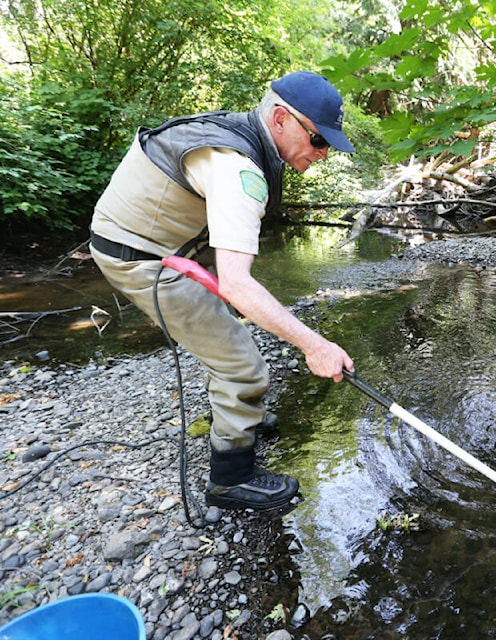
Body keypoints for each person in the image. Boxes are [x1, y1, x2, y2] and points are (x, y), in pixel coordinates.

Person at [89, 70, 355, 511]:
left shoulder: (237, 133)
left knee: (224, 330)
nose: (323, 154)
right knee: (243, 364)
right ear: (281, 120)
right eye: (318, 140)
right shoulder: (238, 168)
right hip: (139, 257)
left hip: (146, 241)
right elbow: (236, 282)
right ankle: (231, 478)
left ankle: (237, 416)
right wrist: (315, 345)